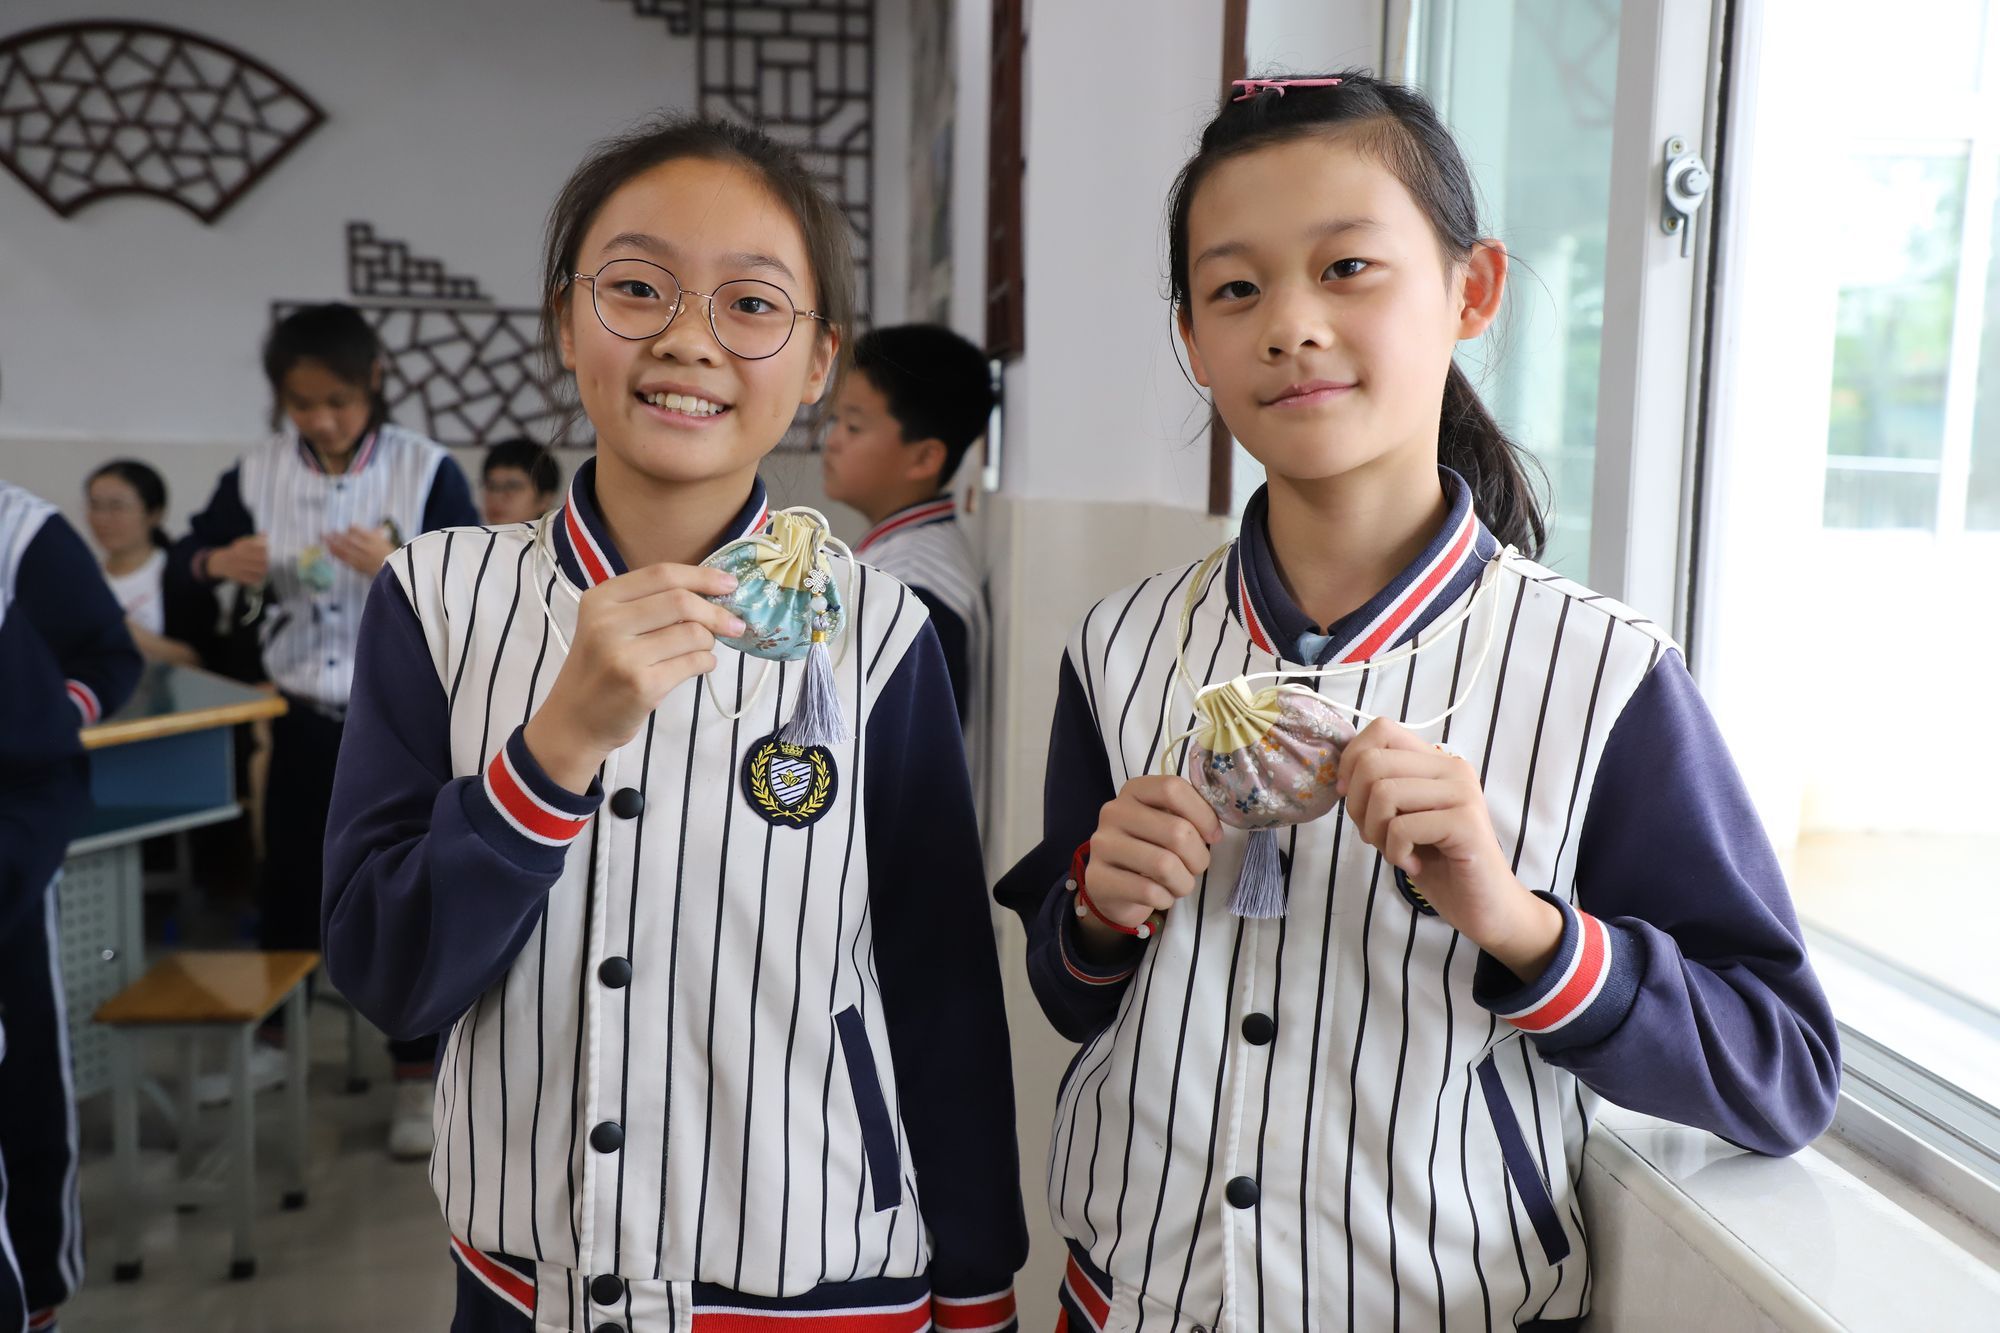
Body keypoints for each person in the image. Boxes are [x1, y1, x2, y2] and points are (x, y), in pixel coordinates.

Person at [994, 71, 1840, 1332]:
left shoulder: (1596, 676)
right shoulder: (1117, 647)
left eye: (1346, 268)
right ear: (1190, 340)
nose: (1288, 323)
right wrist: (1095, 916)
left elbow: (1781, 1069)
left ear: (1470, 290)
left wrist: (1522, 926)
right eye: (1234, 288)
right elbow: (1071, 998)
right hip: (1123, 1303)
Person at [323, 114, 1026, 1330]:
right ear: (562, 319)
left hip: (820, 1281)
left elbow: (937, 987)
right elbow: (391, 977)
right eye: (637, 288)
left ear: (817, 363)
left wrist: (977, 1289)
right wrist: (550, 755)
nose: (688, 339)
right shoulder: (434, 600)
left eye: (751, 305)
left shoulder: (880, 631)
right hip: (526, 1286)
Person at [173, 303, 478, 1155]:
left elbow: (481, 589)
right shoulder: (258, 471)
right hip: (305, 715)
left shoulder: (424, 468)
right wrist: (211, 562)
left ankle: (417, 1071)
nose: (320, 419)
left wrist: (401, 568)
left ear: (374, 383)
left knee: (403, 884)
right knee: (294, 878)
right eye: (302, 403)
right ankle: (274, 1037)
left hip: (408, 720)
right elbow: (187, 561)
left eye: (337, 400)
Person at [0, 483, 143, 1333]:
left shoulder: (20, 533)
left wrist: (47, 715)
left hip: (10, 852)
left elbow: (107, 654)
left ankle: (38, 1282)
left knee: (25, 1066)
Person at [822, 324, 992, 736]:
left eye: (853, 427)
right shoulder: (900, 555)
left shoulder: (915, 586)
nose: (832, 442)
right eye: (835, 421)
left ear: (924, 459)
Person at [83, 460, 213, 668]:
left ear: (154, 513)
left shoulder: (180, 576)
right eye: (95, 506)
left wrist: (119, 628)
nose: (102, 519)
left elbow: (198, 661)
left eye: (117, 507)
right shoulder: (84, 578)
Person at [479, 437, 562, 526]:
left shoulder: (556, 540)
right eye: (492, 487)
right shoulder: (469, 539)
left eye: (512, 487)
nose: (497, 496)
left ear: (545, 500)